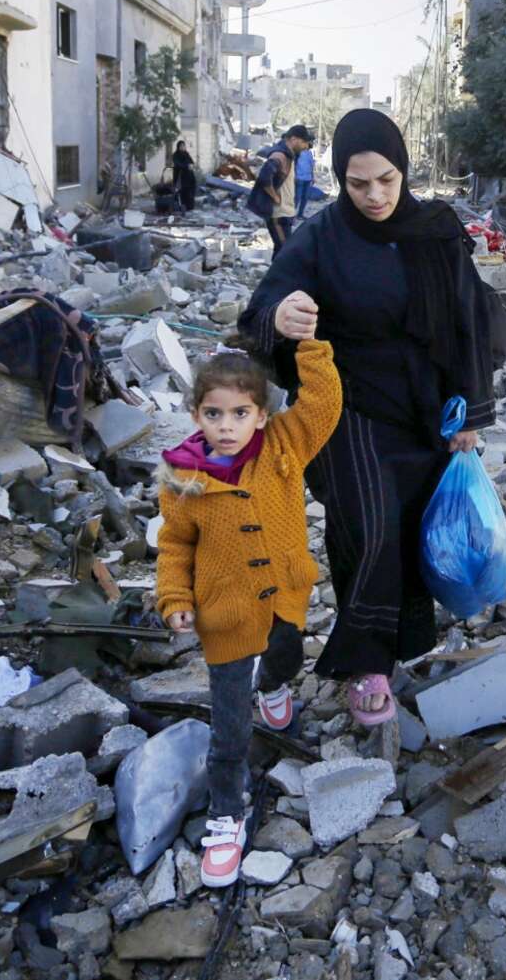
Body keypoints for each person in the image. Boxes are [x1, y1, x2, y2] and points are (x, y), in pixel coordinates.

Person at [240, 108, 498, 728]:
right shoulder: (320, 238)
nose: (376, 196)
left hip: (424, 407)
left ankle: (399, 641)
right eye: (358, 184)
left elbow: (469, 320)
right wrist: (281, 317)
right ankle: (367, 664)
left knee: (409, 526)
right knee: (369, 525)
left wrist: (470, 411)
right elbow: (260, 310)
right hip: (345, 405)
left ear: (403, 170)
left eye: (387, 180)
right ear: (339, 179)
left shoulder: (434, 231)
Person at [155, 336, 340, 887]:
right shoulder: (183, 479)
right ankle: (226, 816)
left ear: (261, 415)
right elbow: (174, 546)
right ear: (196, 415)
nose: (227, 426)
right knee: (230, 727)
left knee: (286, 657)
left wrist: (309, 344)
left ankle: (274, 686)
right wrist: (176, 598)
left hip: (284, 596)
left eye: (240, 413)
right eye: (214, 414)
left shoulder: (283, 447)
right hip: (226, 617)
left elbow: (324, 404)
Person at [246, 124, 312, 251]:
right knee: (284, 250)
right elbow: (264, 178)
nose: (306, 146)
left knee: (282, 250)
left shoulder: (289, 155)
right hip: (278, 214)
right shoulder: (279, 156)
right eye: (304, 142)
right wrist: (275, 197)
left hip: (286, 212)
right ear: (293, 139)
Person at [171, 139, 197, 212]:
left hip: (189, 176)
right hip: (181, 176)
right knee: (183, 192)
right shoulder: (175, 155)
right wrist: (187, 166)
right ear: (178, 147)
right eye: (181, 146)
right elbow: (178, 164)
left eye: (184, 146)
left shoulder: (186, 154)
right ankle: (183, 207)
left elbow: (192, 162)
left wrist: (191, 165)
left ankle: (190, 207)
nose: (183, 147)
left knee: (191, 191)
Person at [294, 143, 316, 219]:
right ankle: (291, 216)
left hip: (308, 178)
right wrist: (294, 176)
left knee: (305, 198)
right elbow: (293, 165)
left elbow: (311, 165)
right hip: (299, 178)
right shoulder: (297, 152)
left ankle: (300, 214)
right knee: (297, 198)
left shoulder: (309, 153)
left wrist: (313, 177)